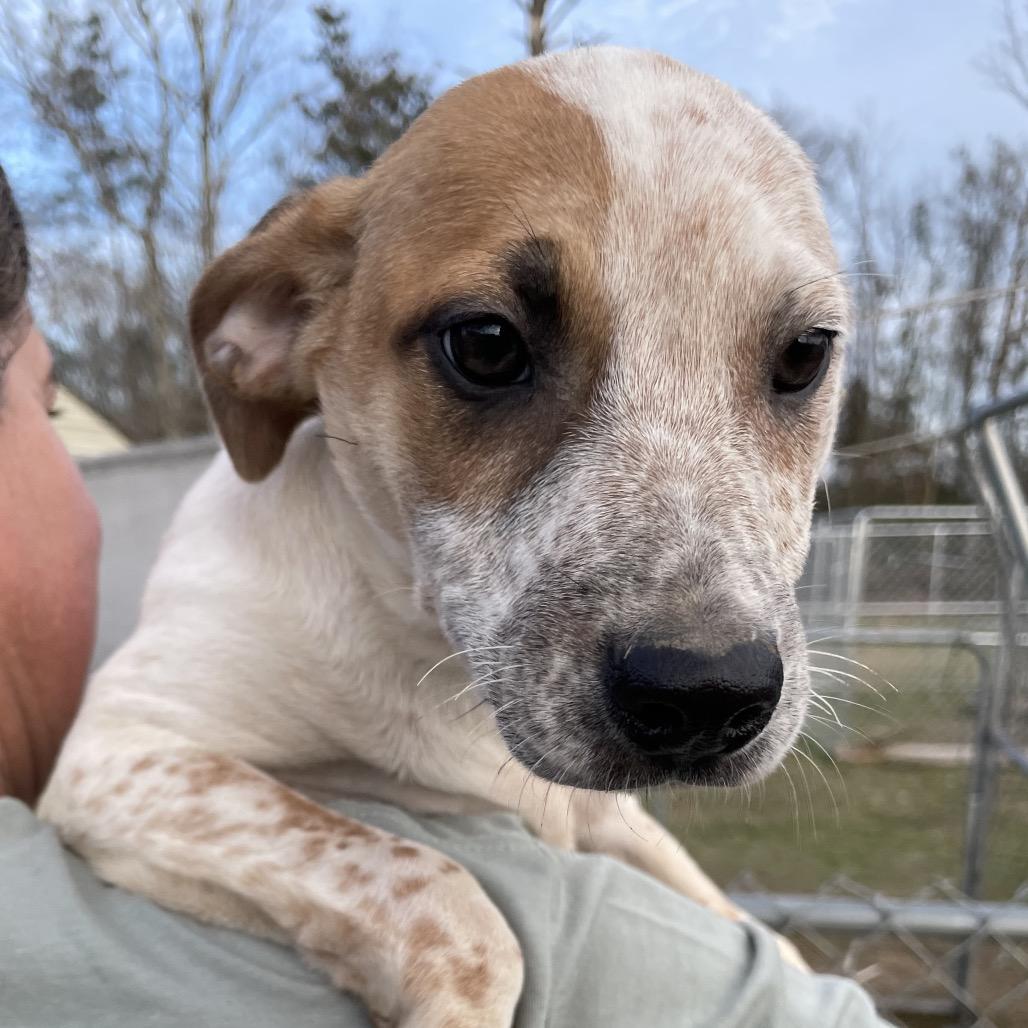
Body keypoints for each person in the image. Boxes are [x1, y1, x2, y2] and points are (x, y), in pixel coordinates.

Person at [0, 163, 889, 1027]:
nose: (707, 641)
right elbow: (110, 771)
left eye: (799, 358)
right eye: (489, 348)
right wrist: (421, 921)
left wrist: (775, 966)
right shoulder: (246, 576)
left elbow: (596, 815)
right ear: (288, 319)